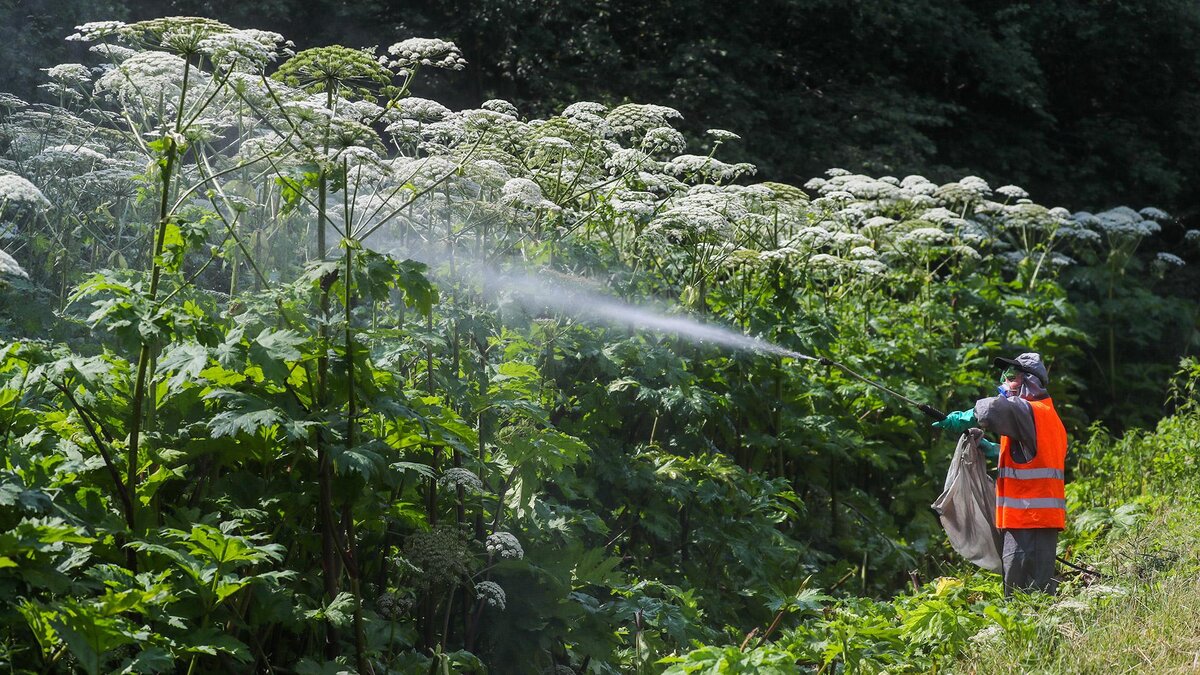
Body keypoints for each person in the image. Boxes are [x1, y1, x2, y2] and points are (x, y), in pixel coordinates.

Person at [932, 352, 1067, 596]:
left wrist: (965, 417)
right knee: (1027, 596)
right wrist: (992, 450)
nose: (1006, 382)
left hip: (1030, 521)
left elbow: (993, 409)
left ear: (1031, 381)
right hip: (1032, 522)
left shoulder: (1029, 410)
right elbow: (1031, 458)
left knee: (1025, 600)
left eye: (1012, 377)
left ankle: (1030, 635)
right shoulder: (1045, 416)